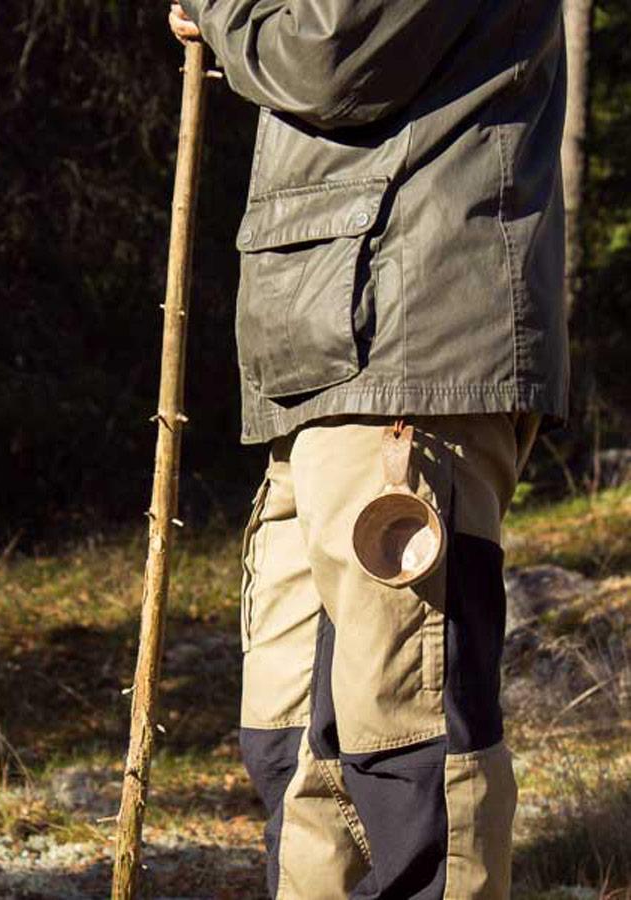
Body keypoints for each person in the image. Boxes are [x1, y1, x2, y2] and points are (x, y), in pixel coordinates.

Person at [168, 1, 569, 898]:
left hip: (407, 352)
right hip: (329, 360)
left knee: (411, 748)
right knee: (297, 746)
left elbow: (328, 52)